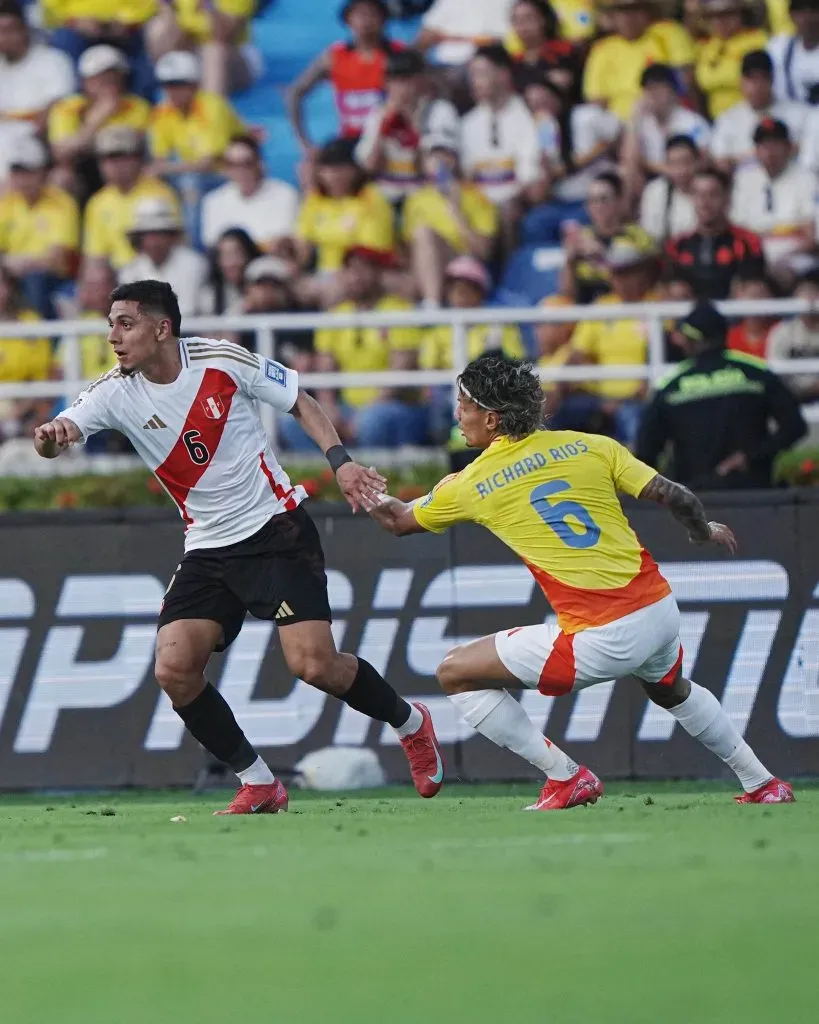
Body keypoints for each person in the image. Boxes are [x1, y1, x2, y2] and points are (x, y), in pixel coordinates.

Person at [33, 279, 445, 813]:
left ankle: (411, 722)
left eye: (125, 323)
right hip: (206, 545)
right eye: (110, 323)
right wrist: (50, 437)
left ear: (162, 329)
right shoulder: (114, 390)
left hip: (275, 530)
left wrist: (340, 463)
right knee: (174, 668)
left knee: (314, 666)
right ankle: (259, 781)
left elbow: (299, 399)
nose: (113, 335)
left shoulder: (221, 359)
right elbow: (63, 428)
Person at [364, 351, 795, 809]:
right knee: (671, 688)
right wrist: (702, 531)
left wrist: (362, 486)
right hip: (659, 609)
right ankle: (762, 782)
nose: (457, 415)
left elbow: (398, 521)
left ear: (491, 419)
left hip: (602, 634)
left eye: (463, 406)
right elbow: (675, 494)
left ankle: (565, 777)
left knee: (455, 671)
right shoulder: (590, 444)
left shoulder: (473, 482)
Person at [637, 298, 806, 490]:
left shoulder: (669, 386)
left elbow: (646, 451)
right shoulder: (756, 372)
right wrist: (752, 456)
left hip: (694, 500)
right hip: (755, 495)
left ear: (691, 340)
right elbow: (795, 426)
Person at [284, 246, 426, 450]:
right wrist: (329, 410)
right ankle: (326, 478)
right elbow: (326, 370)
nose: (356, 276)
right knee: (294, 423)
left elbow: (399, 373)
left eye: (363, 269)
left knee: (372, 422)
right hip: (349, 410)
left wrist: (362, 417)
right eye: (350, 269)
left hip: (393, 407)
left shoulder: (399, 310)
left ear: (378, 273)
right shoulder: (335, 315)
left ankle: (372, 478)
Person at [565, 238, 662, 444]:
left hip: (639, 399)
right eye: (617, 272)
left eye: (628, 271)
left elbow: (668, 352)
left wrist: (623, 399)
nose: (622, 279)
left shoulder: (660, 306)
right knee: (556, 414)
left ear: (643, 273)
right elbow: (577, 354)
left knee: (632, 420)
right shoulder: (601, 307)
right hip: (598, 398)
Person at [149, 49, 245, 247]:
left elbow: (209, 163)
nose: (172, 91)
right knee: (152, 185)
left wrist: (168, 169)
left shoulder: (211, 106)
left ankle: (194, 249)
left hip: (230, 172)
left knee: (191, 185)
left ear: (194, 85)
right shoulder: (163, 112)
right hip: (191, 171)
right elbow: (159, 160)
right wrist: (162, 170)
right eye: (167, 85)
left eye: (178, 84)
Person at [460, 44, 546, 257]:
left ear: (503, 74)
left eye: (481, 73)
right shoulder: (467, 123)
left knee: (506, 210)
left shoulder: (528, 115)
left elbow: (531, 176)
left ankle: (511, 277)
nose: (475, 82)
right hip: (480, 205)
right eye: (472, 75)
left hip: (515, 202)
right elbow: (466, 176)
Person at [293, 137, 396, 306]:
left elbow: (371, 250)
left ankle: (331, 332)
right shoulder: (314, 201)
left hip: (365, 272)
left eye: (341, 167)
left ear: (355, 170)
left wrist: (341, 275)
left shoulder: (371, 198)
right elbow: (302, 248)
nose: (334, 174)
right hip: (324, 273)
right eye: (328, 168)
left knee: (334, 290)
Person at [402, 128, 498, 307]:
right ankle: (429, 302)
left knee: (424, 233)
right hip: (425, 267)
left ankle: (432, 304)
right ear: (423, 162)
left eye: (445, 154)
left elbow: (483, 251)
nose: (439, 161)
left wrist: (455, 208)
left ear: (454, 159)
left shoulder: (477, 195)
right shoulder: (415, 199)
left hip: (466, 263)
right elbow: (410, 249)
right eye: (432, 155)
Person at [287, 0, 402, 148]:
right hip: (350, 141)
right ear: (348, 20)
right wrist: (304, 143)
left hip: (392, 140)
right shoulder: (334, 57)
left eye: (372, 14)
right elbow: (295, 93)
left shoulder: (400, 55)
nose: (365, 21)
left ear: (384, 19)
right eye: (360, 15)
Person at [521, 73, 621, 243]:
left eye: (544, 100)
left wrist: (593, 156)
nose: (541, 107)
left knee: (578, 224)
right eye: (534, 104)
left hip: (590, 197)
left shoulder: (586, 115)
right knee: (533, 223)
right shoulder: (542, 130)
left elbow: (617, 132)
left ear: (556, 97)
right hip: (559, 200)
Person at [354, 48, 460, 206]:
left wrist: (415, 125)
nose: (400, 87)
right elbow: (369, 167)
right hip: (386, 196)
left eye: (406, 80)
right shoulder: (379, 114)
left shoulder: (439, 111)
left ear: (421, 80)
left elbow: (436, 170)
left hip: (426, 196)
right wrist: (383, 129)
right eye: (393, 80)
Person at [48, 44, 151, 196]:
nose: (110, 82)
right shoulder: (68, 107)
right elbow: (61, 152)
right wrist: (99, 117)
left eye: (114, 76)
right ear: (86, 82)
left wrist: (84, 141)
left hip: (124, 169)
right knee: (61, 177)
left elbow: (134, 145)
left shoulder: (136, 105)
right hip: (84, 171)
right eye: (101, 78)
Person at [0, 136, 80, 317]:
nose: (23, 179)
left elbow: (58, 260)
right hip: (11, 276)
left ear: (42, 172)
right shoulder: (6, 204)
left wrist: (19, 262)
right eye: (18, 171)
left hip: (52, 280)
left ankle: (41, 341)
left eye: (29, 171)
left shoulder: (61, 203)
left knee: (35, 280)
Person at [82, 126, 181, 273]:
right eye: (109, 158)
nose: (117, 165)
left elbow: (176, 244)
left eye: (124, 157)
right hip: (116, 275)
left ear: (138, 159)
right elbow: (95, 256)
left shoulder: (160, 193)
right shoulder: (97, 203)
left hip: (156, 271)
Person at [730, 117, 816, 283]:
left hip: (795, 258)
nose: (769, 152)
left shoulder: (806, 179)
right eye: (763, 146)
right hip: (753, 257)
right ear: (756, 150)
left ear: (789, 148)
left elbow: (811, 237)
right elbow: (736, 229)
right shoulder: (744, 179)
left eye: (775, 145)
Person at [583, 0, 694, 122]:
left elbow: (685, 79)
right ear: (614, 16)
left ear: (647, 12)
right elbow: (596, 97)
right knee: (584, 116)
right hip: (618, 118)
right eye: (623, 11)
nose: (629, 17)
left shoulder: (667, 32)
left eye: (635, 9)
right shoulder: (603, 48)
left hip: (662, 110)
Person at [0, 0, 75, 179]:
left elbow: (56, 111)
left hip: (36, 144)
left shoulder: (52, 61)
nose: (4, 37)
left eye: (9, 30)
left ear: (24, 29)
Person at [665, 168, 766, 300]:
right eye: (698, 195)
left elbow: (752, 283)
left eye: (712, 195)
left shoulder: (747, 241)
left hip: (734, 315)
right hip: (690, 317)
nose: (704, 203)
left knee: (752, 291)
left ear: (727, 198)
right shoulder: (677, 245)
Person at [560, 170, 654, 304]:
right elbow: (567, 293)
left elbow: (639, 284)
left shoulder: (639, 236)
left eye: (603, 200)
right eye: (592, 201)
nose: (597, 206)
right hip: (587, 309)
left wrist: (602, 257)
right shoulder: (581, 238)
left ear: (619, 201)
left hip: (623, 307)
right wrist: (570, 261)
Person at [710, 49, 809, 174]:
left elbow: (807, 153)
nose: (757, 85)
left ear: (772, 80)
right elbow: (721, 162)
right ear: (741, 82)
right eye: (752, 79)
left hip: (791, 183)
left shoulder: (798, 114)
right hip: (744, 186)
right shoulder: (727, 119)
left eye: (763, 78)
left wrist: (741, 158)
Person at [201, 136, 299, 255]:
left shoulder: (285, 194)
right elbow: (212, 242)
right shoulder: (213, 200)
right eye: (233, 164)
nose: (241, 170)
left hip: (270, 261)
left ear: (259, 163)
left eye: (247, 163)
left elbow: (283, 238)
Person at [145, 0, 261, 97]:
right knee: (158, 29)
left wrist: (208, 5)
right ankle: (170, 97)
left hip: (233, 56)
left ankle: (211, 111)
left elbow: (223, 34)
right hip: (193, 51)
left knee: (213, 51)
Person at [44, 0, 155, 100]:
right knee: (64, 39)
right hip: (77, 29)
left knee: (143, 50)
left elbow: (149, 4)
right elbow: (49, 9)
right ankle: (76, 106)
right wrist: (74, 21)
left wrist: (129, 21)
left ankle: (138, 105)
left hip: (124, 28)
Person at [622, 64, 710, 187]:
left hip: (687, 181)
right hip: (652, 181)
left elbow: (704, 161)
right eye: (648, 89)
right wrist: (634, 119)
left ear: (672, 90)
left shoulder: (692, 121)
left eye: (658, 88)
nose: (653, 95)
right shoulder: (642, 122)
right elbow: (628, 160)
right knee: (627, 172)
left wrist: (673, 171)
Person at [118, 198, 210, 316]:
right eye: (148, 236)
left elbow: (188, 310)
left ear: (171, 236)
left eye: (160, 234)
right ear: (139, 239)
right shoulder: (130, 270)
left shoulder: (194, 264)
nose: (154, 242)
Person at [0, 265, 52, 441]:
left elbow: (42, 377)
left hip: (23, 407)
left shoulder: (31, 323)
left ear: (10, 287)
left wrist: (15, 413)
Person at [695, 0, 770, 120]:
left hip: (752, 116)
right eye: (714, 16)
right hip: (715, 118)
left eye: (727, 14)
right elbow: (701, 82)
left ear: (741, 15)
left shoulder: (757, 39)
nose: (721, 21)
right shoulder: (706, 46)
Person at [506, 0, 580, 100]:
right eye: (516, 20)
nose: (522, 25)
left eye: (528, 18)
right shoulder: (513, 61)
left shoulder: (564, 51)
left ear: (543, 19)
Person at [766, 268, 819, 402]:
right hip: (793, 400)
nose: (810, 298)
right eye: (805, 291)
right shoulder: (781, 332)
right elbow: (775, 376)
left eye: (814, 291)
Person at [639, 135, 700, 244]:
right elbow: (650, 236)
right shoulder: (655, 191)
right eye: (674, 164)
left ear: (697, 162)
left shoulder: (709, 189)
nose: (681, 170)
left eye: (686, 162)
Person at [767, 0, 819, 105]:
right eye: (800, 11)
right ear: (791, 15)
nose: (807, 18)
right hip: (788, 116)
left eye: (813, 11)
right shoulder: (778, 48)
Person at [203, 227, 261, 317]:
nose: (231, 263)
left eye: (236, 254)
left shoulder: (262, 286)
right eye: (224, 255)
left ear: (249, 254)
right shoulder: (209, 295)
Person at [726, 272, 780, 358]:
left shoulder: (780, 332)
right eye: (752, 295)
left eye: (761, 295)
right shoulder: (730, 337)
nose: (756, 302)